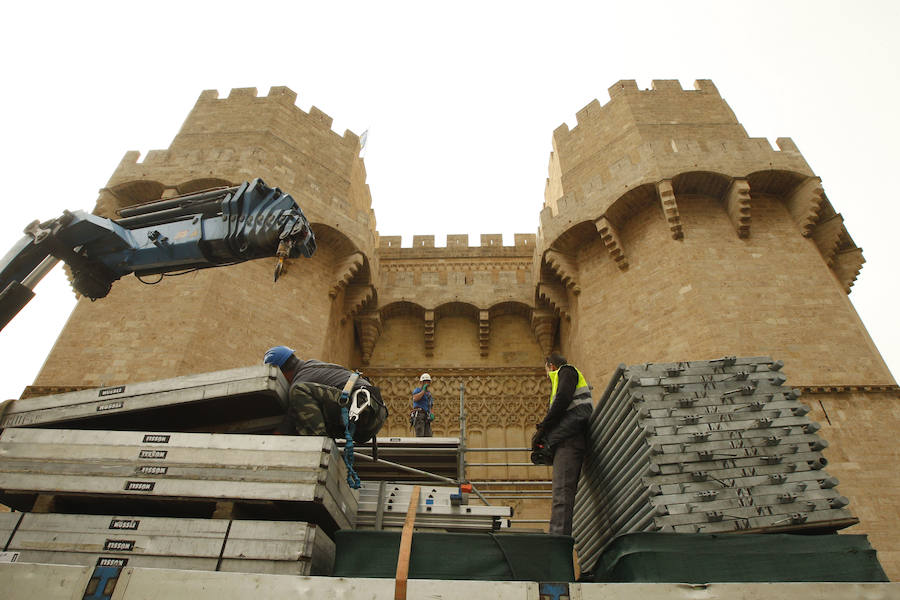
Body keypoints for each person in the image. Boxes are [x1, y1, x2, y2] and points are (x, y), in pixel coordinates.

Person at [263, 345, 386, 442]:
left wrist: (274, 437)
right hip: (371, 414)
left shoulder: (302, 378)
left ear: (280, 372)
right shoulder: (312, 367)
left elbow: (292, 415)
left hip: (362, 408)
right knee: (305, 415)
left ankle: (318, 445)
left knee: (298, 391)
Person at [534, 353, 593, 536]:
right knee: (561, 494)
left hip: (570, 438)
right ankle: (557, 537)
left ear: (550, 366)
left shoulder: (566, 372)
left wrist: (543, 428)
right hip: (567, 437)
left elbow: (562, 400)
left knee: (562, 495)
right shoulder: (563, 376)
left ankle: (557, 541)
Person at [410, 373, 435, 437]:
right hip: (419, 414)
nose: (427, 383)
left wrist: (432, 414)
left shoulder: (429, 394)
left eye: (428, 382)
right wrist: (423, 390)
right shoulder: (418, 390)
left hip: (426, 416)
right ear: (421, 382)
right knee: (420, 434)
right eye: (425, 381)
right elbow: (415, 398)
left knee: (428, 436)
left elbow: (431, 405)